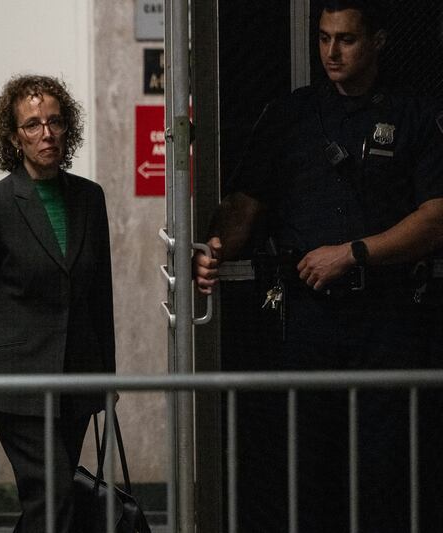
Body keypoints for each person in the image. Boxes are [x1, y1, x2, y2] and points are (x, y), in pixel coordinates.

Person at [193, 1, 443, 531]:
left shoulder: (414, 115)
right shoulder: (291, 116)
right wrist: (214, 248)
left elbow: (436, 218)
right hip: (308, 320)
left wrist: (353, 254)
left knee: (386, 467)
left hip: (387, 318)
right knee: (305, 465)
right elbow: (245, 205)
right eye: (324, 38)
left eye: (346, 39)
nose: (331, 51)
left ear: (377, 41)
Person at [0, 74, 116, 533]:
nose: (46, 133)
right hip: (18, 381)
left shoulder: (89, 198)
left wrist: (108, 374)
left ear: (68, 128)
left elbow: (98, 295)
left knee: (50, 499)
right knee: (54, 494)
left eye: (55, 122)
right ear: (14, 138)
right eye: (32, 125)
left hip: (77, 375)